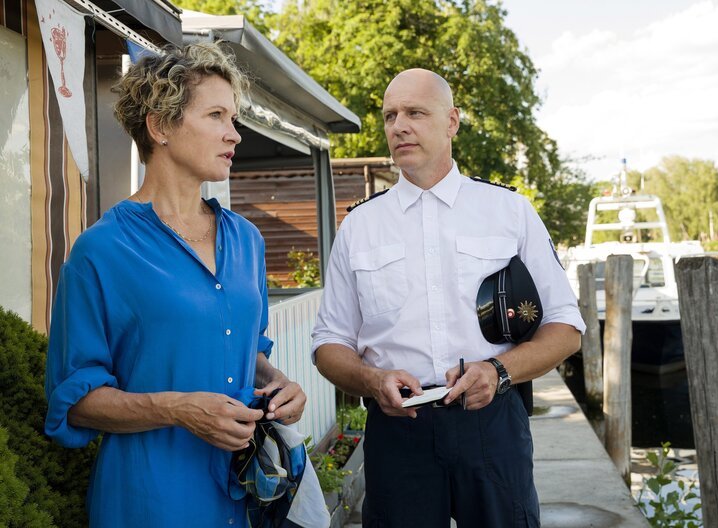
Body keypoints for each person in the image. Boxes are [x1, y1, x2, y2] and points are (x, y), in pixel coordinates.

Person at [44, 43, 307, 527]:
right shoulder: (100, 250)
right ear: (160, 126)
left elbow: (241, 346)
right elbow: (74, 401)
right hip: (151, 500)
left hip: (242, 494)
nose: (234, 134)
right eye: (216, 116)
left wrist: (277, 383)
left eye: (233, 117)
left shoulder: (246, 239)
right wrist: (179, 408)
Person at [311, 68, 586, 527]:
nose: (399, 125)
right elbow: (328, 344)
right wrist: (370, 378)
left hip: (492, 422)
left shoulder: (509, 212)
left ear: (452, 121)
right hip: (399, 428)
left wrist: (498, 371)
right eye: (389, 115)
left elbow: (565, 328)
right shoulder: (360, 226)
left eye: (415, 112)